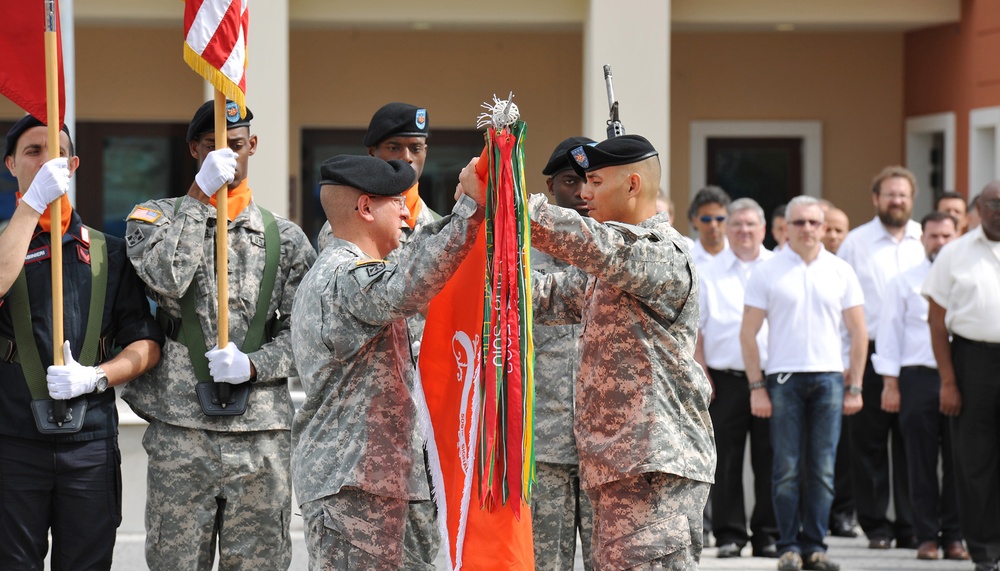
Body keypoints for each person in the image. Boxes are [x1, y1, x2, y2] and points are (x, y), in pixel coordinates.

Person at [461, 135, 716, 568]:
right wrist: (473, 237)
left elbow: (593, 244)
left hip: (651, 472)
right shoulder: (614, 269)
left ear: (633, 184)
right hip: (618, 469)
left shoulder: (660, 255)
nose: (584, 193)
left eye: (595, 181)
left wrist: (507, 198)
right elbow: (533, 296)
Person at [123, 100, 316, 569]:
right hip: (180, 428)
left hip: (261, 434)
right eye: (213, 147)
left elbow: (307, 337)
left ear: (253, 145)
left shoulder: (286, 239)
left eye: (236, 145)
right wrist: (198, 195)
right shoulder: (155, 219)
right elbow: (167, 277)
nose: (227, 156)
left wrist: (255, 364)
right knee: (175, 560)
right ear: (194, 149)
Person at [291, 155, 485, 569]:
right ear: (365, 208)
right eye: (395, 201)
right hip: (354, 489)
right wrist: (471, 209)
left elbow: (411, 265)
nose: (405, 210)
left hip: (388, 483)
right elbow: (406, 286)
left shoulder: (366, 272)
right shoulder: (340, 277)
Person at [0, 115, 163, 569]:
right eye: (33, 152)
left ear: (72, 165)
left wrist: (96, 376)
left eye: (55, 153)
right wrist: (31, 208)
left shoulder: (109, 253)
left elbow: (146, 343)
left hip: (89, 441)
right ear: (11, 164)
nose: (45, 161)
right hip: (14, 440)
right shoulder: (2, 247)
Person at [741, 196, 867, 571]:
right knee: (787, 468)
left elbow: (859, 333)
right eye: (800, 223)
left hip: (829, 378)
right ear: (785, 228)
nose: (808, 229)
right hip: (783, 379)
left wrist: (855, 385)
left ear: (824, 227)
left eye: (815, 223)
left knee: (824, 470)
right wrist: (756, 386)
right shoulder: (768, 271)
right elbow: (748, 333)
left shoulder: (841, 270)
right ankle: (788, 547)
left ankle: (815, 546)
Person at [837, 165, 924, 550]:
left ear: (911, 199)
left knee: (911, 443)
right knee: (868, 444)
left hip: (914, 354)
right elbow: (844, 309)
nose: (897, 201)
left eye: (903, 195)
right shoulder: (856, 243)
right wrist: (846, 361)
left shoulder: (924, 239)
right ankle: (876, 526)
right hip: (869, 352)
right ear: (876, 199)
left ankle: (910, 525)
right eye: (890, 194)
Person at [873, 211, 968, 562]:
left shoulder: (968, 280)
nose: (940, 243)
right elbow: (889, 335)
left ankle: (956, 536)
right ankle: (926, 536)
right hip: (917, 378)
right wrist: (891, 385)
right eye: (933, 236)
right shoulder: (903, 281)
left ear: (958, 237)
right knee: (920, 461)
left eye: (947, 236)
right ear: (923, 239)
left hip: (964, 378)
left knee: (961, 460)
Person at [923, 180, 1000, 571]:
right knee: (975, 463)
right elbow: (937, 322)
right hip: (973, 361)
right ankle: (985, 553)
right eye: (993, 204)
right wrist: (949, 381)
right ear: (977, 209)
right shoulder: (954, 254)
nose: (999, 210)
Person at [694, 198, 777, 559]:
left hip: (774, 380)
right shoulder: (708, 272)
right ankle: (729, 535)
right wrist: (704, 376)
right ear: (728, 229)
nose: (744, 231)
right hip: (724, 380)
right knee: (724, 461)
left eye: (751, 225)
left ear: (764, 229)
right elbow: (695, 332)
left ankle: (768, 534)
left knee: (772, 459)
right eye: (737, 224)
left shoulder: (779, 267)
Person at [531, 136, 595, 571]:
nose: (580, 192)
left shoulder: (618, 252)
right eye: (570, 180)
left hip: (605, 448)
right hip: (542, 443)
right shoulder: (519, 254)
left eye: (591, 180)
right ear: (551, 186)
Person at [316, 102, 438, 251]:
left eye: (415, 148)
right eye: (394, 148)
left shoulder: (440, 228)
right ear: (372, 152)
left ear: (425, 152)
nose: (407, 157)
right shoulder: (348, 227)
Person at [688, 185, 731, 268]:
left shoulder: (740, 258)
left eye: (719, 218)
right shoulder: (686, 261)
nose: (713, 225)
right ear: (695, 221)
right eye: (706, 219)